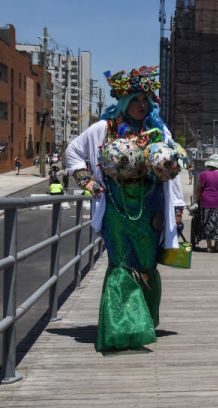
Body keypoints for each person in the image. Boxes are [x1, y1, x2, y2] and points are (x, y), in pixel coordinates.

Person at [65, 65, 182, 352]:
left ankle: (141, 323)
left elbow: (174, 169)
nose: (141, 105)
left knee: (145, 264)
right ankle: (121, 328)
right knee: (120, 263)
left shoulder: (159, 131)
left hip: (149, 210)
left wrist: (177, 208)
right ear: (123, 102)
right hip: (116, 210)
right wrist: (88, 182)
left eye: (145, 100)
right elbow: (73, 152)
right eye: (135, 100)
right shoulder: (103, 129)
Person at [195, 153, 218, 253]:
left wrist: (197, 198)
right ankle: (217, 245)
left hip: (206, 201)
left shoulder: (204, 174)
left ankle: (209, 246)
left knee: (207, 222)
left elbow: (199, 188)